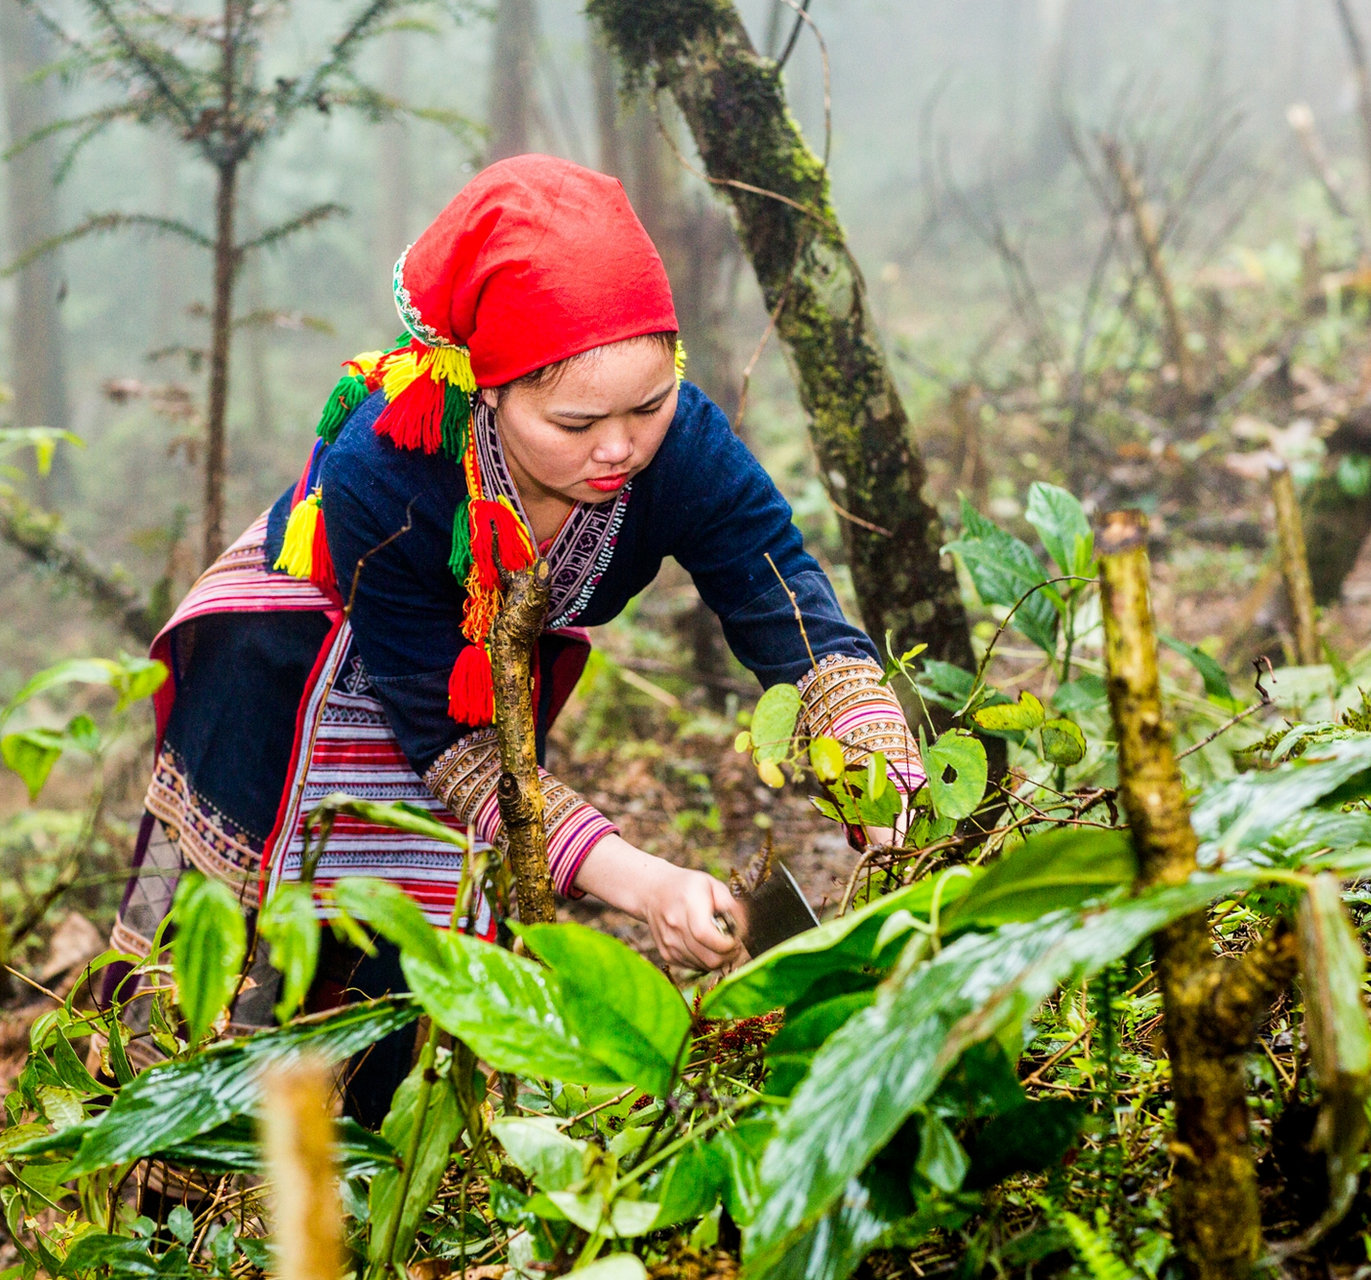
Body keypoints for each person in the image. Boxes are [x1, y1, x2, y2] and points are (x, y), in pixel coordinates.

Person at [101, 154, 922, 1126]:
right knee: (248, 972)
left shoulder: (683, 448)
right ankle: (181, 1192)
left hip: (464, 687)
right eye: (575, 421)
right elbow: (459, 749)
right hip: (292, 686)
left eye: (648, 406)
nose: (618, 448)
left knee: (420, 975)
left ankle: (393, 1180)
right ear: (488, 391)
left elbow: (778, 586)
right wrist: (642, 880)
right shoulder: (387, 469)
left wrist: (875, 758)